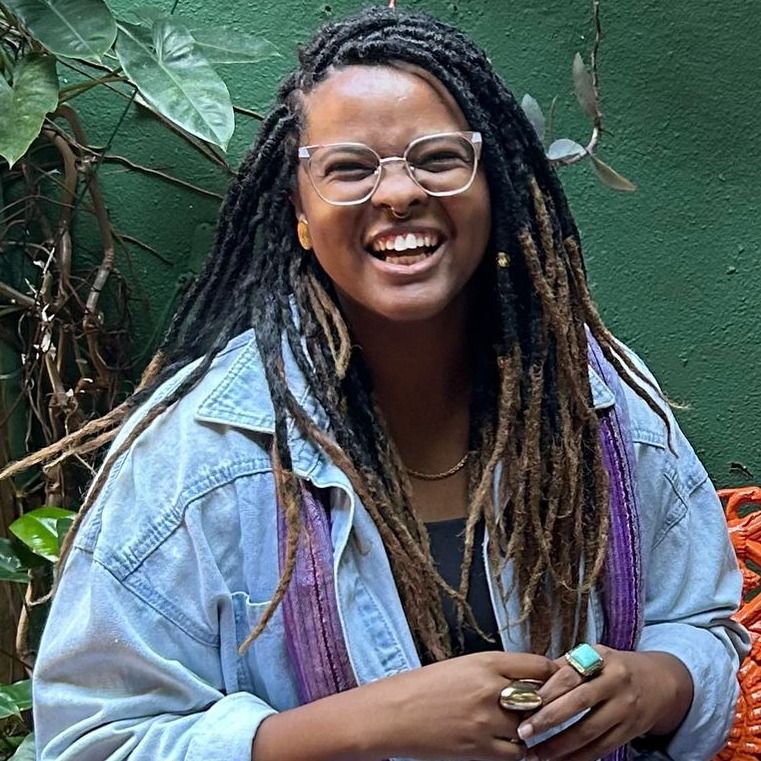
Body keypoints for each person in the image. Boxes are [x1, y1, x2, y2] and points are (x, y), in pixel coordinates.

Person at [30, 6, 748, 761]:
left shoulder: (596, 401)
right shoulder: (196, 453)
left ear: (493, 185)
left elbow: (702, 627)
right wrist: (365, 725)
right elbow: (93, 740)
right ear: (299, 212)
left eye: (438, 158)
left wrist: (653, 685)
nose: (399, 192)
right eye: (348, 168)